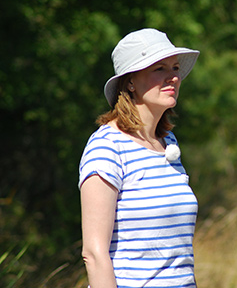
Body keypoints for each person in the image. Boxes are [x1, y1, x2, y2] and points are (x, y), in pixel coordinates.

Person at [79, 28, 200, 288]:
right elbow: (94, 254)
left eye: (175, 68)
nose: (173, 77)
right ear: (130, 82)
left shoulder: (168, 143)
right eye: (159, 69)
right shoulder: (107, 146)